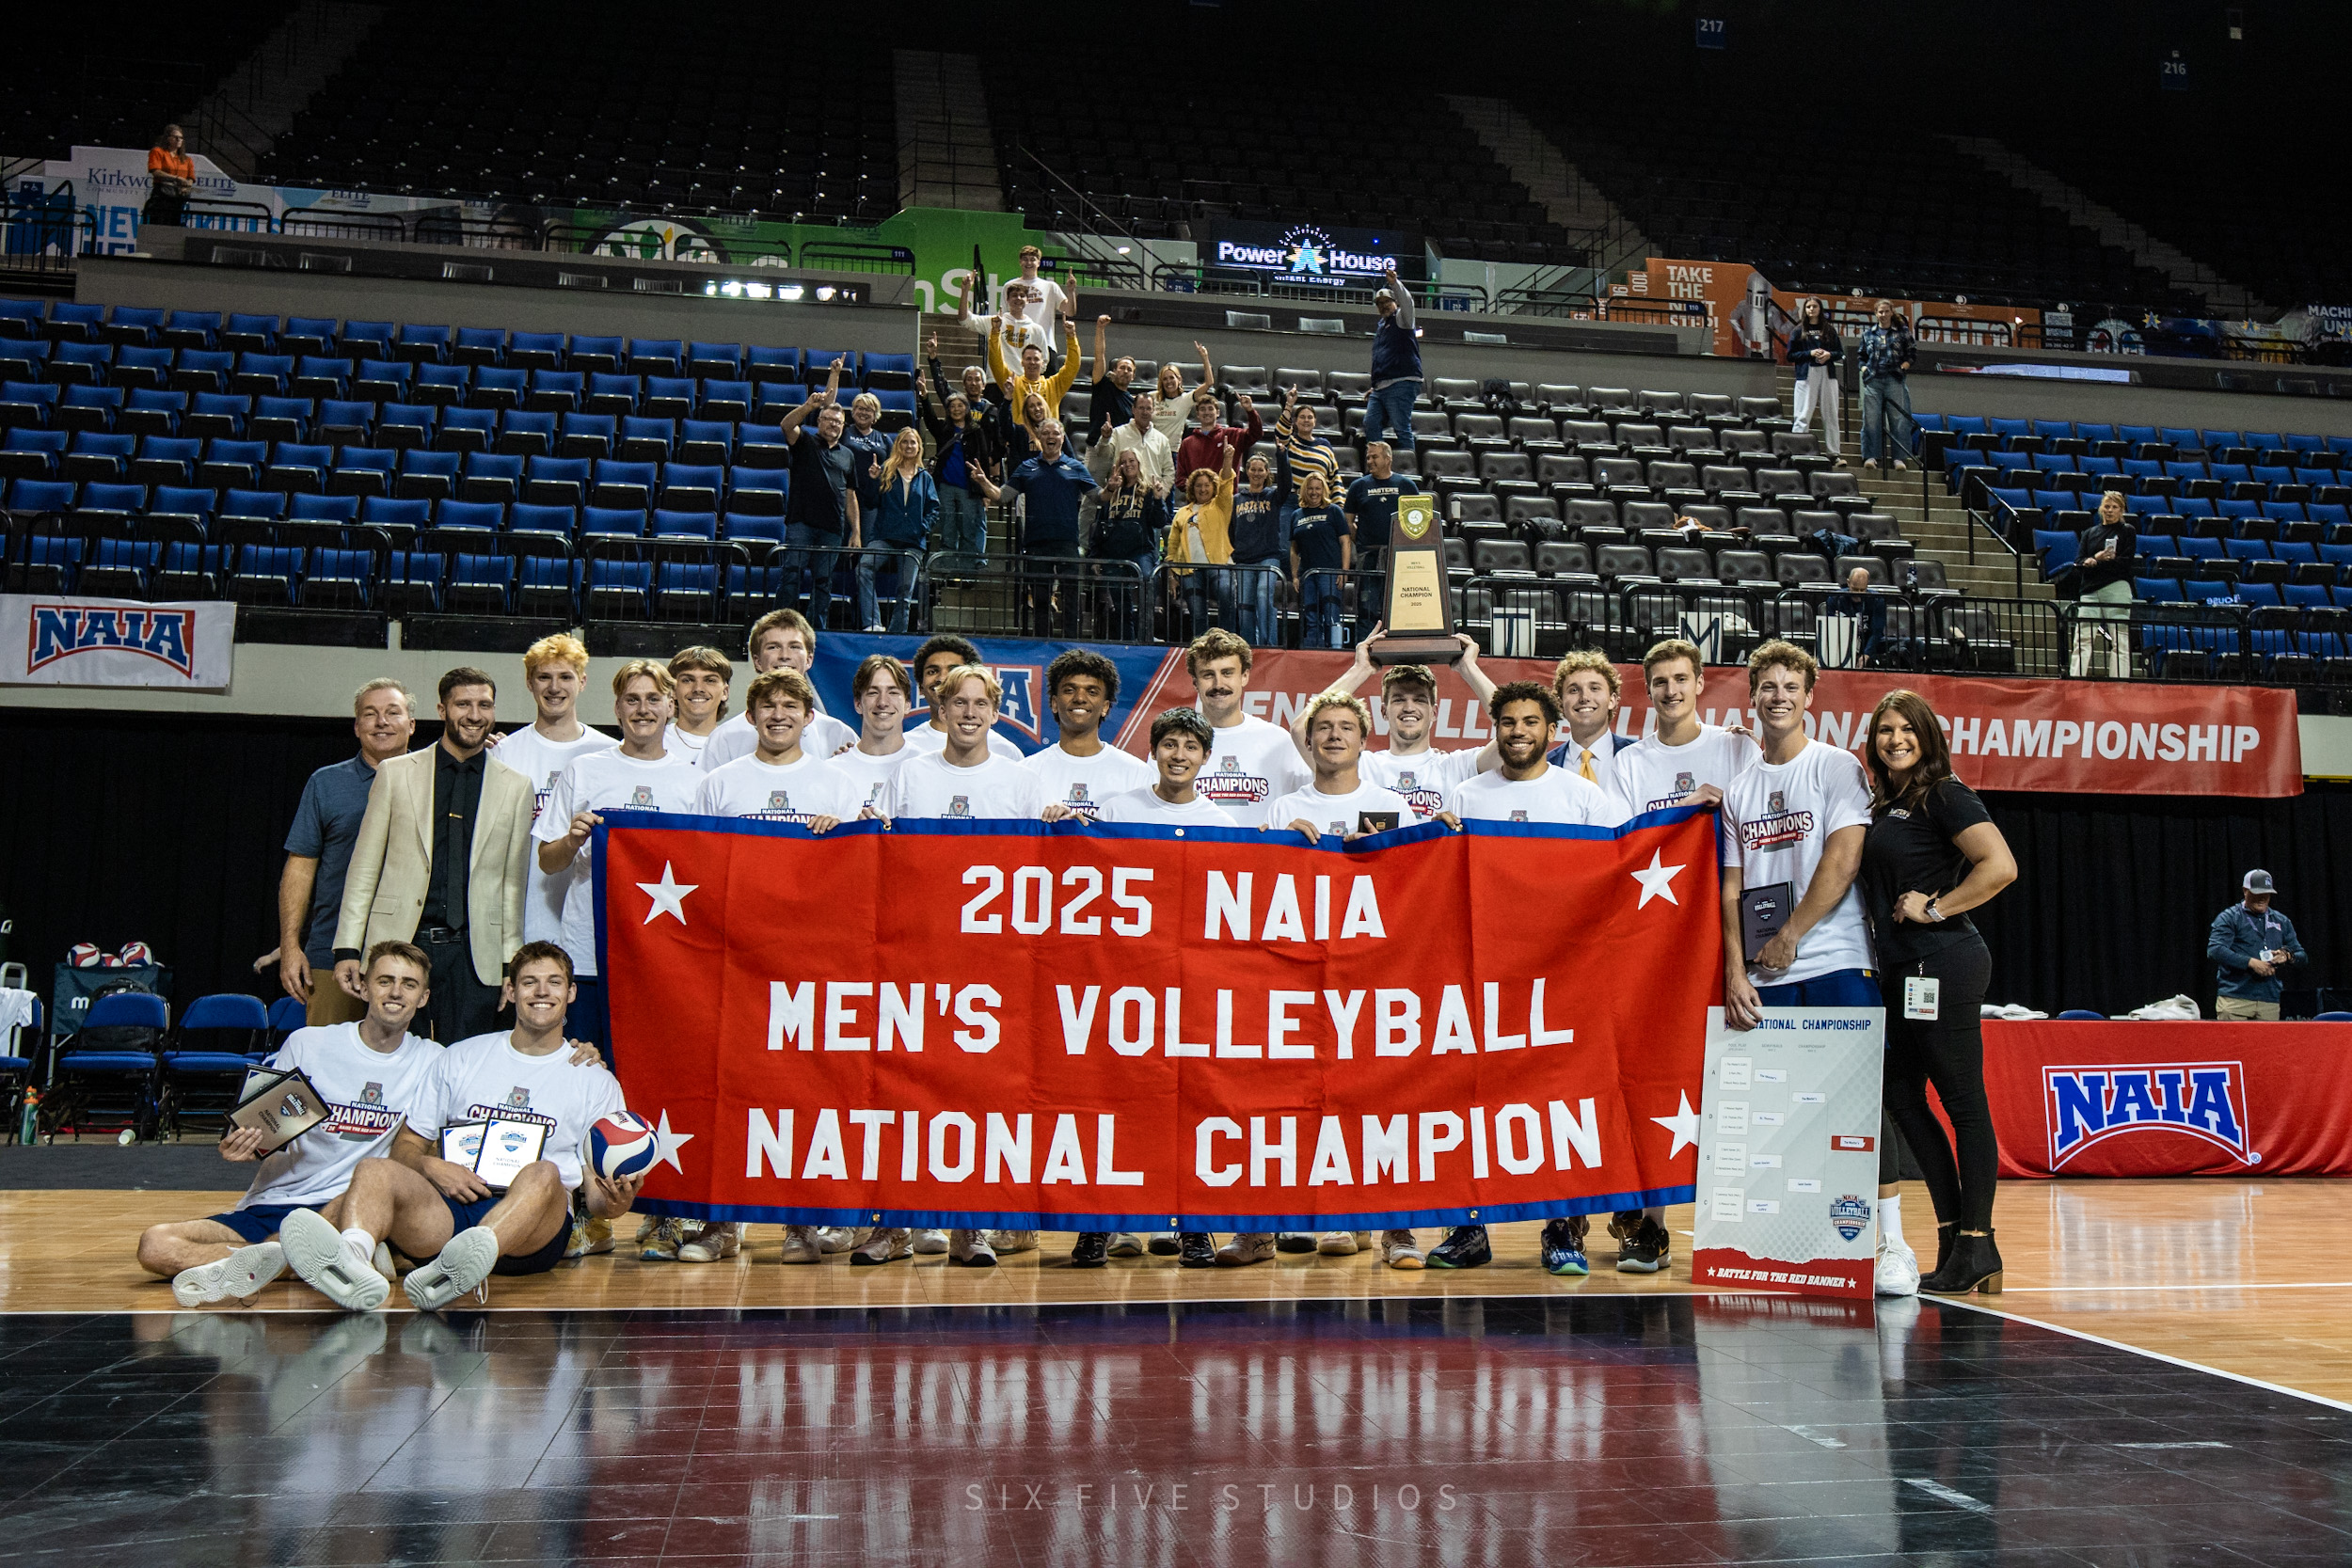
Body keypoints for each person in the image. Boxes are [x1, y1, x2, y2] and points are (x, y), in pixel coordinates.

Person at [280, 943, 640, 1313]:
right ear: (511, 990)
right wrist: (430, 1166)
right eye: (530, 982)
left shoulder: (595, 1080)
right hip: (452, 1209)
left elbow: (597, 1200)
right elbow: (406, 1147)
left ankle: (466, 1263)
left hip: (532, 1229)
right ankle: (353, 1263)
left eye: (554, 982)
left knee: (544, 1173)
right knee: (373, 1169)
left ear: (571, 992)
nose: (542, 992)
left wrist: (617, 1203)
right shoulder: (462, 1056)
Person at [1427, 681, 1626, 1276]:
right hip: (1482, 971)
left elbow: (1624, 865)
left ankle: (1563, 1229)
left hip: (1562, 972)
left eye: (1530, 722)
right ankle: (1468, 1229)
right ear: (1495, 730)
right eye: (1508, 722)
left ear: (1552, 730)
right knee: (1471, 1099)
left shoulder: (1583, 796)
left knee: (1561, 1101)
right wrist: (1433, 840)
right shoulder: (1467, 794)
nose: (1518, 732)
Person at [137, 941, 442, 1307]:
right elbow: (264, 1126)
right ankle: (298, 1260)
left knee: (363, 1194)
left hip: (347, 1207)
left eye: (409, 984)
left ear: (423, 998)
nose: (395, 992)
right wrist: (243, 1143)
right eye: (385, 981)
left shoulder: (432, 1061)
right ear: (363, 987)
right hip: (275, 1201)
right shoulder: (308, 1044)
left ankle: (288, 1258)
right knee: (155, 1245)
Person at [871, 663, 1047, 1273]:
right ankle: (891, 1226)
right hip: (916, 956)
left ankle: (969, 1226)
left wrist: (1062, 827)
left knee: (976, 1097)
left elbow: (1043, 865)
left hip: (990, 965)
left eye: (980, 704)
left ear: (996, 713)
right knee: (901, 1091)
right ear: (940, 710)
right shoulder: (909, 773)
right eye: (958, 702)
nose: (969, 713)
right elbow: (874, 849)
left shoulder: (1020, 780)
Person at [1229, 692, 1411, 1267]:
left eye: (1345, 727)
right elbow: (1257, 891)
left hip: (1372, 977)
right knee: (1284, 1102)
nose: (1334, 735)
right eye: (1324, 728)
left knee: (1379, 1103)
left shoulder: (1392, 806)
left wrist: (1382, 856)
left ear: (1364, 740)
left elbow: (1417, 889)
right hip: (1299, 976)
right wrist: (1277, 845)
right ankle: (1261, 1230)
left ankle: (1389, 1228)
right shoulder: (1285, 808)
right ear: (1307, 743)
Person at [1601, 639, 1759, 1272]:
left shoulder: (1735, 747)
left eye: (1680, 679)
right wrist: (1682, 811)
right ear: (1648, 691)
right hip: (1656, 939)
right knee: (1658, 1070)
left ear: (1699, 684)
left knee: (1729, 1073)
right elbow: (1619, 842)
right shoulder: (1630, 762)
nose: (1670, 690)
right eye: (1660, 682)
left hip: (1727, 926)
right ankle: (1651, 1221)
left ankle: (1745, 1227)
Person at [1861, 689, 2018, 1297]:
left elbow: (2000, 866)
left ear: (1927, 736)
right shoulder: (1888, 802)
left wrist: (1935, 907)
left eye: (1907, 728)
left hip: (1943, 962)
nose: (1896, 739)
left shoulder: (1945, 793)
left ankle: (1979, 1242)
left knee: (1964, 1104)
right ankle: (1955, 1239)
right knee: (1902, 1099)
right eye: (1885, 730)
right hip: (1903, 969)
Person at [334, 667, 535, 1044]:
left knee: (466, 1060)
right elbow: (364, 868)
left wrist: (510, 962)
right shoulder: (395, 773)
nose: (474, 715)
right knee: (393, 1056)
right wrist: (348, 947)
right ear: (442, 709)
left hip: (475, 954)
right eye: (463, 704)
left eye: (484, 705)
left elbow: (512, 885)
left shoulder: (517, 786)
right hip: (402, 942)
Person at [533, 660, 703, 1066]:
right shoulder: (584, 770)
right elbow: (547, 863)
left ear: (671, 707)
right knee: (581, 1067)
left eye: (653, 699)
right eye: (632, 700)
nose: (642, 709)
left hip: (660, 956)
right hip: (589, 951)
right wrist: (572, 840)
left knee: (649, 1068)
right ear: (617, 709)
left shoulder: (696, 781)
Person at [280, 679, 417, 1026]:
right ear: (357, 727)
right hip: (332, 950)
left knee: (411, 1056)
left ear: (412, 724)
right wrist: (290, 945)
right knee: (330, 1054)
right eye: (370, 714)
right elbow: (300, 867)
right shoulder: (326, 783)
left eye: (393, 713)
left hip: (413, 953)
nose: (381, 722)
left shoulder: (433, 782)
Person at [491, 635, 618, 949]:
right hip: (525, 904)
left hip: (589, 904)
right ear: (529, 682)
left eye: (565, 677)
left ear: (582, 682)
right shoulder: (505, 752)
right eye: (544, 677)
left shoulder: (608, 752)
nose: (554, 687)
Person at [1303, 640, 1497, 823]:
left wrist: (1469, 668)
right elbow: (1301, 729)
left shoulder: (1458, 766)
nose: (1409, 708)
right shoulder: (1361, 765)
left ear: (1434, 712)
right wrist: (1361, 669)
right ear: (1383, 711)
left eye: (1419, 700)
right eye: (1399, 700)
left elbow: (1509, 728)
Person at [701, 610, 856, 772]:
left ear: (809, 659)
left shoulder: (838, 734)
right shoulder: (725, 737)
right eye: (773, 647)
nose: (784, 656)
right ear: (757, 661)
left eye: (794, 647)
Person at [1187, 628, 1311, 829]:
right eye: (1208, 675)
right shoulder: (1176, 746)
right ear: (1195, 683)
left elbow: (1312, 801)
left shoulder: (1279, 741)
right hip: (1197, 849)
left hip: (1264, 850)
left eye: (1227, 673)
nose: (1218, 684)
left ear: (1244, 676)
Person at [1024, 650, 1152, 824]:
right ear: (1054, 703)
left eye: (1092, 692)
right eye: (1070, 690)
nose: (1080, 698)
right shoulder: (1027, 772)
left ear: (1105, 707)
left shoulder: (1138, 774)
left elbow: (1145, 837)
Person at [782, 357, 861, 632]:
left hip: (832, 528)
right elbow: (786, 425)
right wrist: (808, 406)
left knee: (823, 583)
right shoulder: (805, 441)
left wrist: (856, 530)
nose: (834, 425)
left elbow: (850, 495)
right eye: (829, 420)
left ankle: (816, 633)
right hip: (801, 522)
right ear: (819, 421)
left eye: (839, 422)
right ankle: (783, 627)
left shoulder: (848, 455)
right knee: (791, 576)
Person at [1006, 419, 1098, 640]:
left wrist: (1112, 488)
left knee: (1071, 597)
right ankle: (1042, 644)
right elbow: (1001, 496)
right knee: (1040, 600)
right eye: (1046, 433)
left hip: (1067, 542)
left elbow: (1098, 496)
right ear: (1039, 437)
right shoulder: (1027, 467)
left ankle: (1071, 643)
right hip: (1036, 542)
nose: (1051, 437)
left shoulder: (1075, 467)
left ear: (1063, 437)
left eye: (1055, 433)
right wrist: (983, 482)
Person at [922, 332, 1004, 562]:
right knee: (948, 526)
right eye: (969, 379)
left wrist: (989, 480)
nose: (973, 383)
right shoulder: (954, 408)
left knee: (973, 525)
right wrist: (933, 359)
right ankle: (949, 567)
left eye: (978, 379)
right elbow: (941, 387)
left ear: (984, 384)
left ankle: (975, 565)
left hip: (976, 478)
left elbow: (998, 445)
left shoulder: (991, 412)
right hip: (950, 480)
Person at [858, 426, 938, 633]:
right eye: (904, 442)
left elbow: (934, 509)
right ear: (898, 445)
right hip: (884, 535)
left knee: (905, 591)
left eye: (913, 442)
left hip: (913, 540)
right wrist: (873, 480)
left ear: (919, 447)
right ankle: (873, 623)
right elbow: (870, 502)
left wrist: (922, 528)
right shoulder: (885, 470)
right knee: (864, 568)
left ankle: (897, 633)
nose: (909, 446)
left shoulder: (925, 477)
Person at [903, 634, 1025, 761]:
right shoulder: (906, 748)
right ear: (920, 687)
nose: (942, 678)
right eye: (932, 671)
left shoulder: (1006, 751)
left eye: (953, 670)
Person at [1089, 448, 1168, 641]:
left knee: (1148, 580)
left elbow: (1159, 522)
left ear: (1139, 464)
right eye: (1124, 461)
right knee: (1120, 604)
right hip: (1114, 553)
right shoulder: (1112, 491)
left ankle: (1145, 637)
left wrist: (1158, 500)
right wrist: (1095, 556)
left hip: (1141, 551)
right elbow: (1099, 525)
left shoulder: (1148, 491)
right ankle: (1128, 642)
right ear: (1118, 466)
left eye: (1132, 460)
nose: (1128, 464)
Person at [2208, 869, 2307, 1022]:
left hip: (2270, 1001)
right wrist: (2251, 963)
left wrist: (2287, 956)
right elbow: (2215, 950)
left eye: (2266, 894)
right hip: (2236, 999)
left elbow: (2302, 956)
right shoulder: (2230, 917)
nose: (2262, 898)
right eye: (2257, 893)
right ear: (2245, 891)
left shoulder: (2281, 920)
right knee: (2233, 1039)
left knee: (2269, 1039)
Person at [831, 653, 920, 818]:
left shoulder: (924, 767)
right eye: (873, 693)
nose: (883, 702)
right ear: (858, 704)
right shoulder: (833, 771)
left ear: (907, 705)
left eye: (893, 692)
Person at [1166, 442, 1239, 638]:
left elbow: (1226, 483)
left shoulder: (1220, 506)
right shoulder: (1182, 513)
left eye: (1207, 485)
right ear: (1192, 488)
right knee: (1197, 614)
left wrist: (1227, 459)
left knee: (1226, 595)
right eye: (1198, 485)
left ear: (1213, 487)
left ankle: (1227, 642)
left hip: (1219, 565)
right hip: (1189, 570)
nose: (1203, 489)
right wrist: (1172, 576)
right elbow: (1172, 547)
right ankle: (1202, 648)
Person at [1544, 650, 1636, 792]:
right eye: (1574, 690)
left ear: (1612, 700)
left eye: (1594, 688)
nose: (1584, 697)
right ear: (1560, 703)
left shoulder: (1638, 756)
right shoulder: (1546, 766)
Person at [2073, 489, 2136, 679]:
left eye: (2114, 507)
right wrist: (2095, 559)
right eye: (2107, 506)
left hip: (2116, 587)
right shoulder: (2089, 533)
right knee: (2083, 638)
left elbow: (2126, 561)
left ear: (2121, 510)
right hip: (2089, 591)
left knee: (2120, 639)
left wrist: (2097, 562)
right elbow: (2079, 562)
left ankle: (2120, 682)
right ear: (2101, 508)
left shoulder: (2127, 531)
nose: (2110, 510)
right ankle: (2076, 679)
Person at [1289, 471, 1354, 649]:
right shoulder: (1296, 515)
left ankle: (1334, 652)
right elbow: (1294, 549)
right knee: (1311, 618)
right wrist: (1295, 575)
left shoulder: (1334, 511)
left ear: (1324, 490)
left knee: (1331, 617)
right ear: (1305, 490)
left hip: (1330, 574)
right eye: (1310, 488)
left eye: (1318, 488)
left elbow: (1345, 542)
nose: (1314, 492)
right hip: (1307, 575)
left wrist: (1344, 571)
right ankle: (1313, 652)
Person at [1229, 453, 1288, 647]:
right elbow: (1231, 530)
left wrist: (1282, 454)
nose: (1256, 473)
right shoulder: (1237, 499)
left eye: (1260, 470)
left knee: (1263, 595)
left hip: (1268, 557)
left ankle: (1268, 645)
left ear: (1267, 472)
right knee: (1244, 605)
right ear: (1247, 471)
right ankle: (1248, 647)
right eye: (1253, 469)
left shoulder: (1273, 496)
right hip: (1244, 559)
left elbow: (1286, 483)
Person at [1364, 261, 1422, 454]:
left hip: (1402, 382)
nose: (1383, 306)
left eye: (1387, 302)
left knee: (1401, 428)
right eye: (1380, 304)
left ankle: (1409, 468)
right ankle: (1378, 461)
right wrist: (1375, 385)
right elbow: (1382, 358)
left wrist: (1395, 284)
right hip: (1381, 387)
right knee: (1371, 423)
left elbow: (1408, 303)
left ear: (1395, 302)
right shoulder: (1381, 327)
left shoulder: (1402, 319)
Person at [988, 318, 1083, 428]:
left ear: (1042, 363)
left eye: (1036, 359)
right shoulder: (1013, 384)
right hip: (1021, 436)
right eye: (1028, 359)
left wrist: (1071, 337)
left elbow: (1072, 366)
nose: (1032, 362)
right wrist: (995, 333)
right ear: (1022, 362)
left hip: (1048, 436)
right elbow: (996, 362)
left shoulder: (1054, 385)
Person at [1343, 442, 1420, 576]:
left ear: (1387, 459)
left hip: (1399, 555)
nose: (1369, 461)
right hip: (1367, 555)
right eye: (1368, 458)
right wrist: (1362, 543)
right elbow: (1348, 522)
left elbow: (1417, 520)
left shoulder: (1407, 486)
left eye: (1374, 457)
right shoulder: (1358, 486)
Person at [1857, 299, 1915, 472]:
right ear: (1876, 314)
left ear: (1891, 312)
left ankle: (1899, 458)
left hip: (1894, 379)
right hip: (1873, 380)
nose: (1883, 315)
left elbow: (1912, 353)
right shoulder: (1868, 334)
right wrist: (1864, 368)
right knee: (1871, 419)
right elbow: (1861, 356)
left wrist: (1904, 366)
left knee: (1898, 420)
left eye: (1886, 311)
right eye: (1880, 312)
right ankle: (1871, 456)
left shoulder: (1902, 332)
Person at [1787, 298, 1844, 459]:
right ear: (1805, 310)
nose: (1811, 309)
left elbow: (1840, 352)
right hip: (1806, 374)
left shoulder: (1829, 330)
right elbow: (1790, 355)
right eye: (1808, 307)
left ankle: (1834, 453)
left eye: (1815, 306)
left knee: (1831, 414)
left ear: (1820, 309)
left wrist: (1829, 354)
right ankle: (1798, 452)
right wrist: (1810, 353)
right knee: (1802, 414)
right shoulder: (1798, 330)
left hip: (1828, 373)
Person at [1082, 315, 1138, 477]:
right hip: (1096, 451)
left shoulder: (1133, 403)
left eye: (1129, 370)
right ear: (1114, 370)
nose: (1125, 371)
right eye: (1122, 367)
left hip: (1119, 455)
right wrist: (1100, 329)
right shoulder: (1102, 385)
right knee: (1092, 492)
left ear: (1133, 376)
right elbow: (1099, 356)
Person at [1273, 387, 1343, 511]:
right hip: (1292, 502)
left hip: (1320, 502)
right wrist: (1289, 405)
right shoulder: (1290, 442)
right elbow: (1280, 434)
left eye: (1310, 417)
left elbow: (1335, 478)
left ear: (1315, 421)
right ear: (1295, 421)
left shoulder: (1325, 445)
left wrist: (1339, 505)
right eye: (1302, 417)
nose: (1306, 420)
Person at [1176, 386, 1261, 486]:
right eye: (1202, 409)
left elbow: (1256, 433)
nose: (1207, 412)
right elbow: (1180, 478)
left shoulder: (1232, 435)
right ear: (1197, 414)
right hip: (1197, 495)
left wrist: (1250, 410)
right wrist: (1196, 487)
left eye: (1210, 409)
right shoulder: (1187, 443)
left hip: (1226, 495)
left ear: (1218, 413)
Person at [661, 646, 733, 763]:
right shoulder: (654, 741)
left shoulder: (736, 745)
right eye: (687, 680)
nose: (698, 689)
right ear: (673, 691)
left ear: (725, 692)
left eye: (710, 680)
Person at [960, 275, 1047, 365]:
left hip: (1024, 374)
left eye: (1022, 296)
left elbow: (1043, 360)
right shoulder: (994, 322)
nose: (1018, 298)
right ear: (1007, 300)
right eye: (1014, 295)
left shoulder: (1037, 330)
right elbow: (965, 320)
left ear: (1027, 300)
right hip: (996, 374)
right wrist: (965, 291)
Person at [1147, 346, 1219, 448]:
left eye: (1172, 378)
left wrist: (1205, 358)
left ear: (1179, 380)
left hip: (1171, 450)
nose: (1168, 382)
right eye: (1165, 379)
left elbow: (1209, 383)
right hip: (1151, 448)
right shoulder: (1151, 397)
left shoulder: (1186, 399)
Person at [1109, 390, 1176, 498]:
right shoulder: (1118, 433)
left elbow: (1169, 472)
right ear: (1133, 410)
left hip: (1152, 498)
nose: (1145, 412)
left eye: (1148, 408)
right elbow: (1102, 455)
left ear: (1153, 411)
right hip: (1123, 496)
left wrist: (1160, 495)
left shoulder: (1162, 440)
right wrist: (1105, 439)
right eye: (1141, 408)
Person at [1827, 567, 1888, 670]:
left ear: (1867, 585)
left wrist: (1867, 654)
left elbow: (1876, 632)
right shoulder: (1835, 598)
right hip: (1842, 644)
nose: (1858, 594)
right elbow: (1831, 629)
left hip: (1869, 642)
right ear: (1848, 583)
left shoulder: (1877, 600)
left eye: (1862, 590)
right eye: (1855, 589)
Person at [1010, 244, 1070, 335]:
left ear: (1038, 263)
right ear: (1020, 262)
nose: (1029, 263)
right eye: (1025, 259)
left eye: (1032, 259)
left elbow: (1069, 311)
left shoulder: (1050, 286)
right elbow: (1004, 316)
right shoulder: (1010, 286)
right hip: (1017, 340)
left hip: (1044, 340)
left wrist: (1071, 291)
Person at [145, 125, 195, 228]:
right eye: (176, 137)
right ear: (168, 138)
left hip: (179, 198)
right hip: (162, 196)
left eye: (181, 138)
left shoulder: (187, 159)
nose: (179, 140)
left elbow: (191, 177)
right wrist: (177, 178)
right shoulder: (158, 152)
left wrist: (186, 186)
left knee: (175, 227)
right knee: (159, 226)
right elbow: (156, 172)